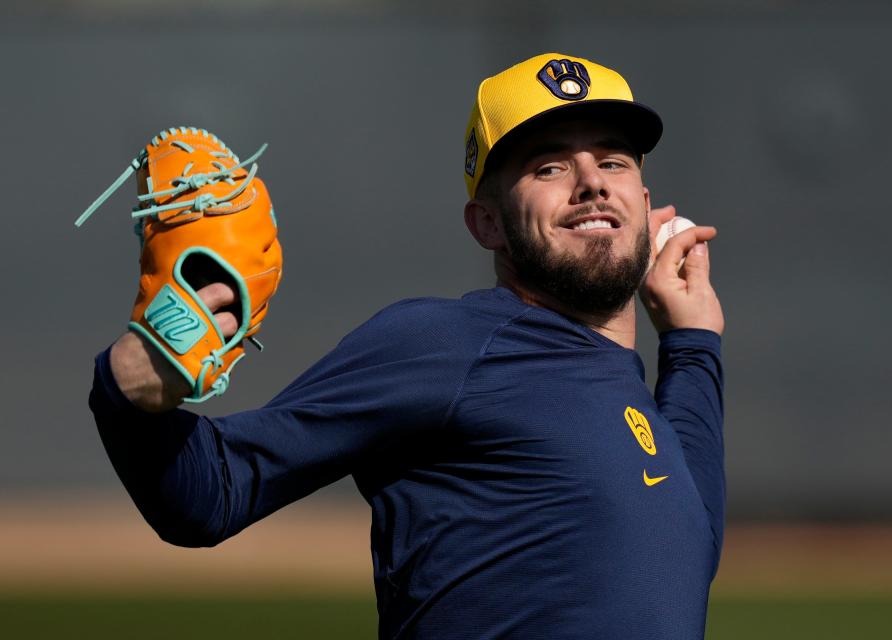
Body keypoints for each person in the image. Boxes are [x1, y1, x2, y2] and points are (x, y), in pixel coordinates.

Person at [89, 53, 724, 639]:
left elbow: (691, 547)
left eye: (613, 160)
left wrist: (693, 341)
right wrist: (132, 381)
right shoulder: (447, 345)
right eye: (548, 166)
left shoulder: (633, 396)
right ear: (488, 223)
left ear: (645, 204)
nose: (591, 181)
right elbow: (214, 492)